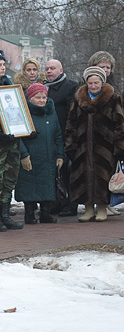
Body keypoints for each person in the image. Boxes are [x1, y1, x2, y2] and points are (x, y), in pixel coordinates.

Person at [0, 49, 36, 232]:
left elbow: (19, 110)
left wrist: (27, 129)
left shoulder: (9, 85)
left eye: (4, 64)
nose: (3, 68)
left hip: (12, 141)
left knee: (10, 178)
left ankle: (5, 214)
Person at [64, 66, 124, 222]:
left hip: (104, 145)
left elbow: (119, 123)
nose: (93, 86)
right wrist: (70, 145)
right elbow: (71, 122)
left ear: (102, 82)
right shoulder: (78, 98)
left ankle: (102, 208)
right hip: (82, 145)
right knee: (84, 176)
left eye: (96, 83)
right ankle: (88, 208)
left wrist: (119, 146)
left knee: (102, 175)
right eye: (90, 83)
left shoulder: (112, 98)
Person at [15, 83, 64, 224]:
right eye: (38, 97)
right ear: (30, 98)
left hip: (49, 156)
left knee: (47, 184)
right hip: (30, 156)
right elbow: (18, 136)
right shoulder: (23, 113)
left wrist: (60, 155)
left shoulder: (51, 112)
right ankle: (29, 214)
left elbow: (58, 135)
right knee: (28, 184)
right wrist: (23, 154)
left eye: (44, 97)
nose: (42, 100)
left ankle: (45, 213)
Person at [44, 58, 78, 216]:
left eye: (52, 68)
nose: (49, 71)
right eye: (47, 69)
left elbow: (73, 114)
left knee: (67, 171)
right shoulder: (43, 88)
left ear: (61, 70)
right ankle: (56, 202)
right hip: (47, 137)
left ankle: (71, 204)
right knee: (53, 172)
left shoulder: (70, 87)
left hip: (65, 136)